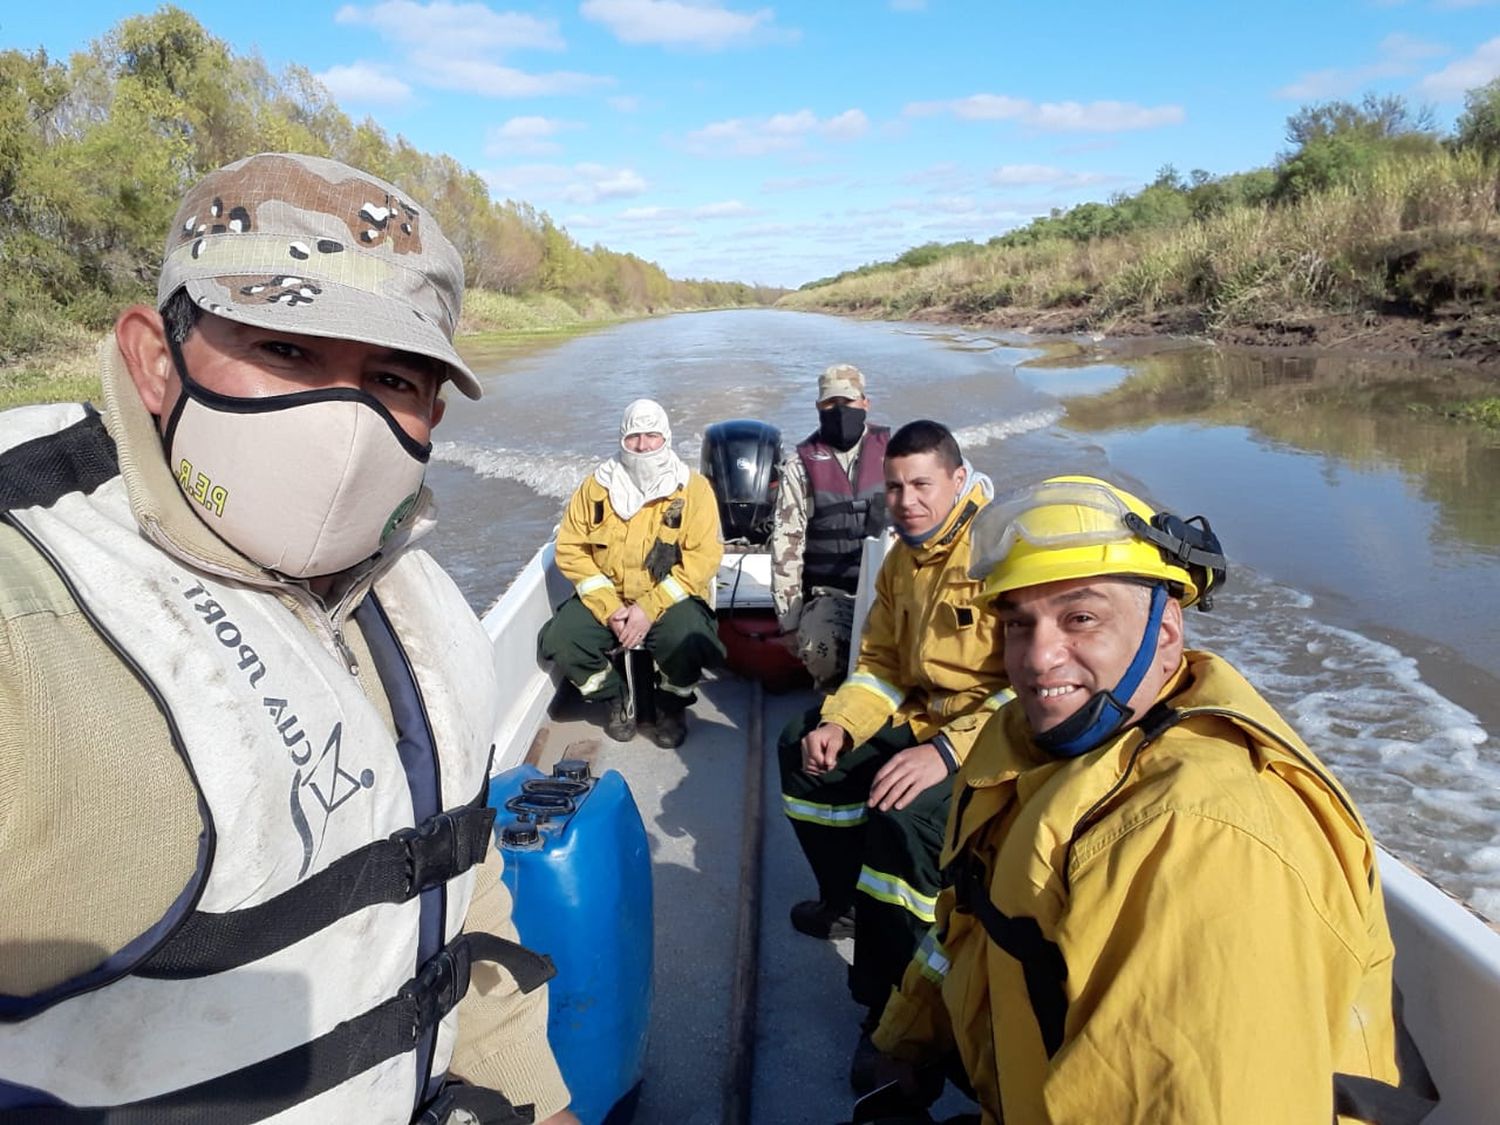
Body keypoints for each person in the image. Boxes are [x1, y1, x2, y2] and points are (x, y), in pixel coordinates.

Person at [0, 153, 577, 1124]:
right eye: (287, 349)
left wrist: (537, 1101)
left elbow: (459, 888)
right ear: (153, 357)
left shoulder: (421, 601)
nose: (345, 424)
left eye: (392, 376)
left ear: (432, 412)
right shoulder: (34, 612)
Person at [868, 476, 1439, 1124]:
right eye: (1020, 623)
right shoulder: (1028, 752)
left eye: (1080, 617)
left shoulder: (1201, 835)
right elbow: (964, 924)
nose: (1036, 655)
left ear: (1166, 629)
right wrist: (907, 1038)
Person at [776, 420, 1011, 1073]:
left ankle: (890, 1010)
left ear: (959, 481)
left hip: (988, 734)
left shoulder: (1001, 552)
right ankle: (845, 900)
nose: (907, 500)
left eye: (923, 485)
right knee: (803, 749)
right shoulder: (904, 555)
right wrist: (842, 723)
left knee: (903, 825)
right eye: (896, 486)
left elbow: (1029, 687)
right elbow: (878, 663)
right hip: (918, 713)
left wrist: (945, 753)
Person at [539, 399, 725, 749]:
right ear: (621, 440)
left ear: (666, 438)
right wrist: (610, 608)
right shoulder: (595, 488)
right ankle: (614, 696)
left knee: (687, 637)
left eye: (652, 435)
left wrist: (649, 608)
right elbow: (570, 549)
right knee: (563, 640)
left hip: (671, 597)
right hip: (609, 597)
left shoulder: (694, 489)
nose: (643, 446)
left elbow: (704, 557)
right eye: (633, 437)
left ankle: (670, 705)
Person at [770, 363, 889, 693]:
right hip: (832, 594)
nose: (839, 411)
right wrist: (789, 622)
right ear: (819, 407)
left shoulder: (896, 453)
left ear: (865, 403)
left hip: (891, 589)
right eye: (830, 404)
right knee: (821, 646)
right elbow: (786, 543)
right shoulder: (799, 466)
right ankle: (832, 700)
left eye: (848, 403)